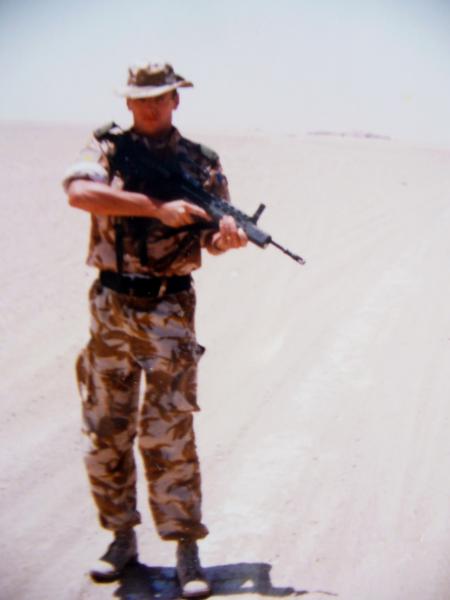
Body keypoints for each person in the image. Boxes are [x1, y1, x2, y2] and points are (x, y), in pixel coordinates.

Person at [63, 61, 247, 598]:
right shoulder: (106, 149)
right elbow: (79, 193)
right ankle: (121, 540)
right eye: (141, 98)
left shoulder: (201, 162)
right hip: (110, 307)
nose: (150, 106)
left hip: (169, 309)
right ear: (128, 102)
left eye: (160, 97)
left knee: (170, 432)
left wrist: (225, 239)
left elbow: (209, 236)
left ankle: (186, 549)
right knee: (107, 428)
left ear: (175, 101)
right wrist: (155, 209)